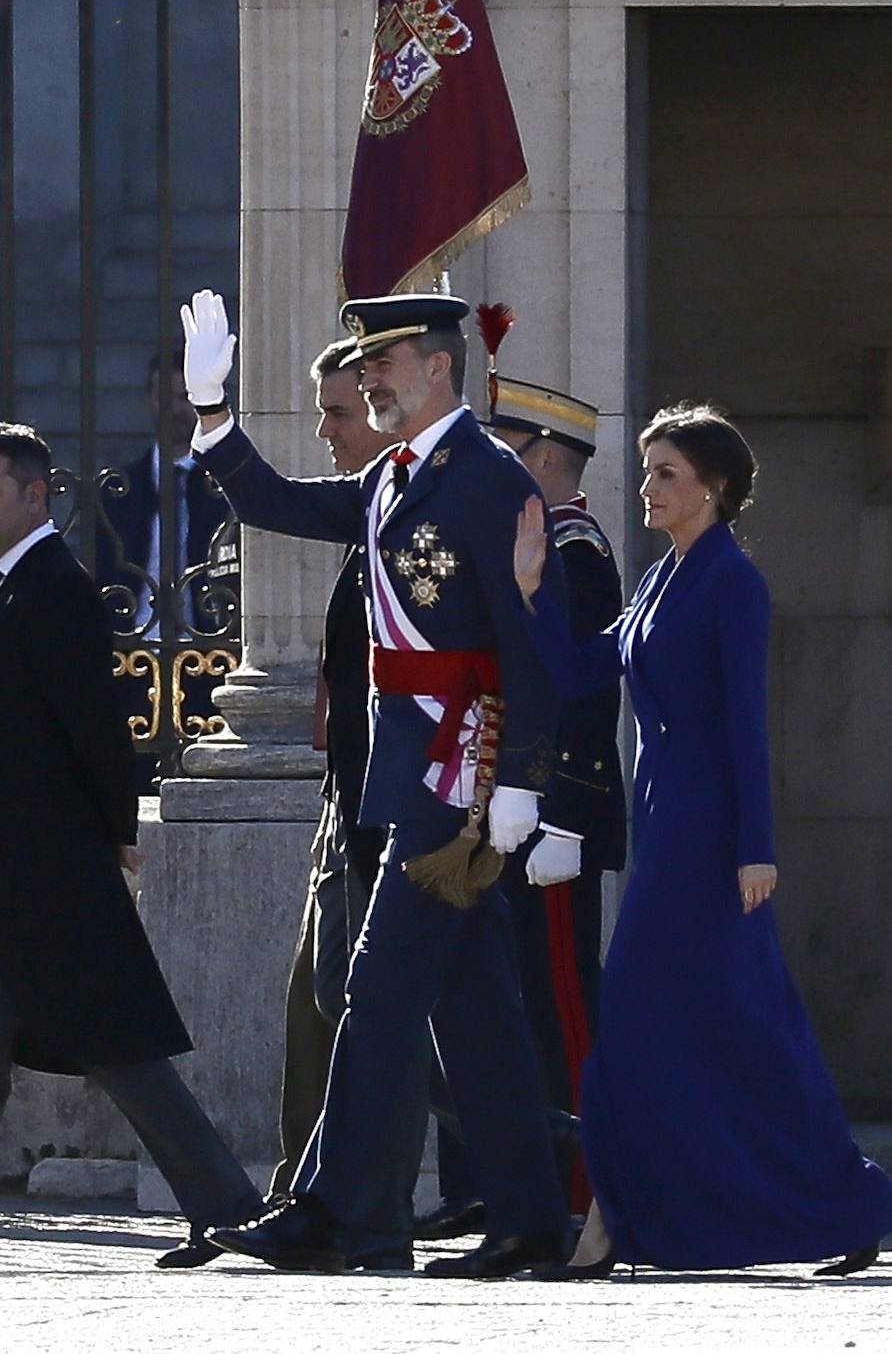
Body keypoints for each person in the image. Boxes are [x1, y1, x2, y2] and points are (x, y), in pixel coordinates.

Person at [180, 287, 572, 1278]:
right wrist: (213, 417)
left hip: (467, 775)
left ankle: (335, 1211)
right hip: (419, 769)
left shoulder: (487, 479)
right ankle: (530, 1216)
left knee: (381, 987)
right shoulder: (401, 474)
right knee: (473, 1007)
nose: (364, 381)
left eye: (380, 365)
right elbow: (278, 504)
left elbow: (532, 637)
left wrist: (523, 778)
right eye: (361, 368)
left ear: (438, 366)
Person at [512, 402, 892, 1278]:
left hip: (714, 841)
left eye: (665, 474)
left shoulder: (733, 581)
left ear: (712, 488)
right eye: (648, 471)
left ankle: (618, 1226)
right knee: (726, 1028)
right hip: (666, 825)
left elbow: (746, 726)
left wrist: (756, 848)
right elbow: (577, 671)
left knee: (693, 1027)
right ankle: (833, 1203)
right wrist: (532, 592)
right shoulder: (658, 578)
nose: (647, 488)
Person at [0, 422, 261, 1269]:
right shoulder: (13, 586)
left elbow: (96, 729)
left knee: (120, 1049)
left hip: (47, 864)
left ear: (34, 494)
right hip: (17, 859)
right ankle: (224, 1204)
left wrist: (115, 831)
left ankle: (225, 1205)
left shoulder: (54, 586)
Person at [417, 376, 626, 1237]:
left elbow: (582, 695)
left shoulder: (576, 554)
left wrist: (567, 815)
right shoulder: (524, 547)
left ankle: (584, 1186)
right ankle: (500, 1182)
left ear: (545, 459)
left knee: (559, 1006)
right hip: (501, 809)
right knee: (498, 1002)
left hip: (551, 819)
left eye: (509, 453)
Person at [267, 338, 420, 1271]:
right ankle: (312, 1196)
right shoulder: (372, 513)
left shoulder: (412, 517)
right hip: (348, 797)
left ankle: (367, 1210)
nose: (325, 429)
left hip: (391, 809)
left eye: (339, 411)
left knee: (368, 1010)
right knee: (317, 1004)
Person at [96, 349, 238, 790]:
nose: (175, 408)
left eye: (184, 397)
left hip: (210, 658)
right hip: (131, 661)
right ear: (148, 401)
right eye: (165, 396)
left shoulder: (226, 489)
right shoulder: (119, 487)